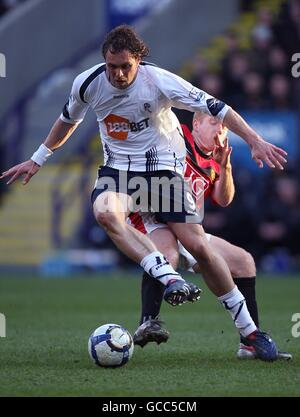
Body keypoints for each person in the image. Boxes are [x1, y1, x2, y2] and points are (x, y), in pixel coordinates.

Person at [1, 25, 287, 360]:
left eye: (125, 66)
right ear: (104, 62)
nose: (118, 74)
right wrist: (38, 159)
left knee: (199, 247)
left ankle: (250, 334)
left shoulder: (159, 81)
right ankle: (169, 281)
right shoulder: (88, 84)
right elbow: (67, 120)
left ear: (139, 60)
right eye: (112, 67)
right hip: (119, 171)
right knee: (105, 212)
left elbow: (218, 108)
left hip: (163, 171)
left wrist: (254, 140)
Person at [131, 112, 292, 360]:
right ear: (196, 124)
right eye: (214, 122)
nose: (220, 130)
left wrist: (225, 166)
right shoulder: (176, 137)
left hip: (189, 229)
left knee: (243, 261)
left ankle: (248, 344)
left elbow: (224, 199)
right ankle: (147, 322)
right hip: (154, 220)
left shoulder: (216, 158)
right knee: (167, 256)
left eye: (225, 127)